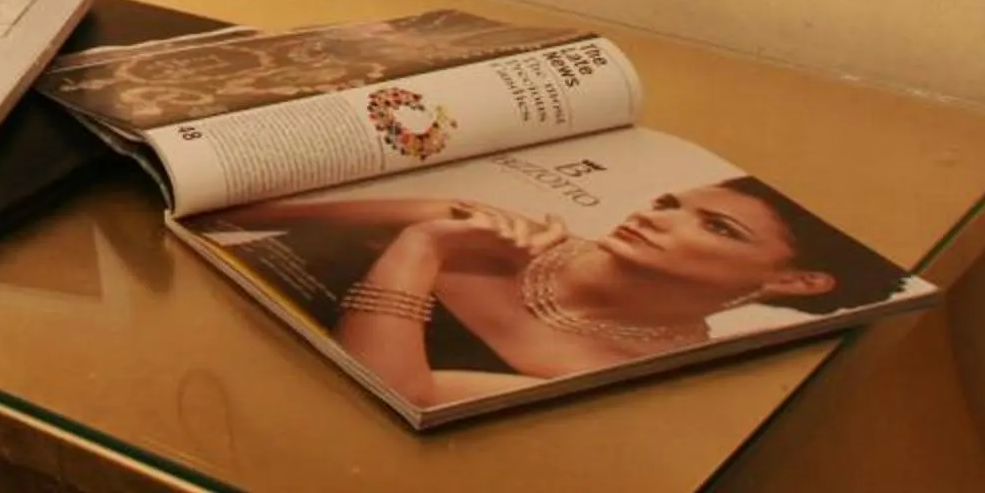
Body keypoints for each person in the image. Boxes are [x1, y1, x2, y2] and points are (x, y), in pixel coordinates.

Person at [213, 178, 905, 415]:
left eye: (716, 227)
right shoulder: (490, 226)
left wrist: (421, 245)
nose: (658, 217)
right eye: (669, 202)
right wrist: (429, 213)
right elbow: (221, 217)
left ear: (794, 281)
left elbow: (384, 395)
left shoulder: (619, 371)